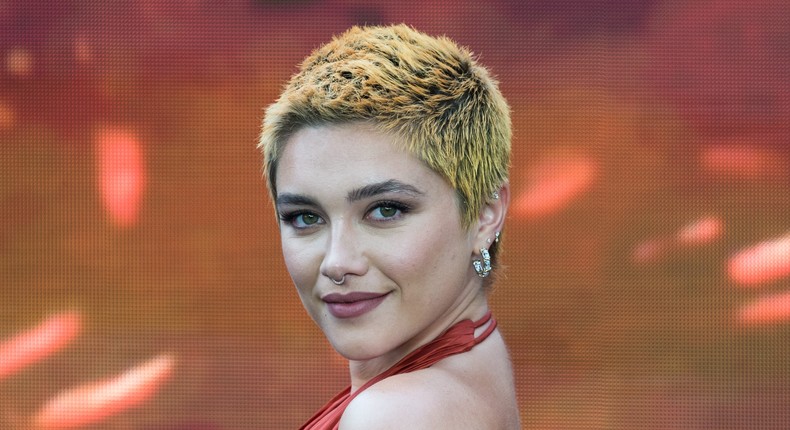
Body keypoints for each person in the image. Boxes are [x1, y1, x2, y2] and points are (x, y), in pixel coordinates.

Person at [259, 24, 520, 429]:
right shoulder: (477, 355)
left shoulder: (393, 414)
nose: (336, 262)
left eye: (385, 210)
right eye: (305, 217)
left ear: (485, 214)